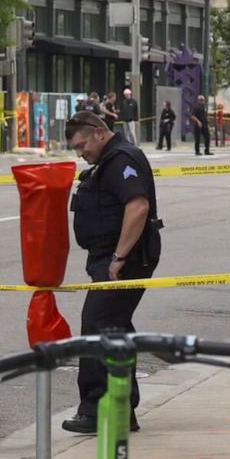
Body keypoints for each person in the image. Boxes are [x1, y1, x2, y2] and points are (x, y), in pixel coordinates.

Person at [61, 111, 162, 435]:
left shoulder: (119, 160)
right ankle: (120, 410)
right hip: (114, 259)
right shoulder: (110, 160)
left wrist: (118, 257)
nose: (80, 153)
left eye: (81, 145)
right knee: (114, 329)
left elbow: (138, 206)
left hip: (124, 262)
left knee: (97, 327)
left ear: (97, 132)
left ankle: (96, 409)